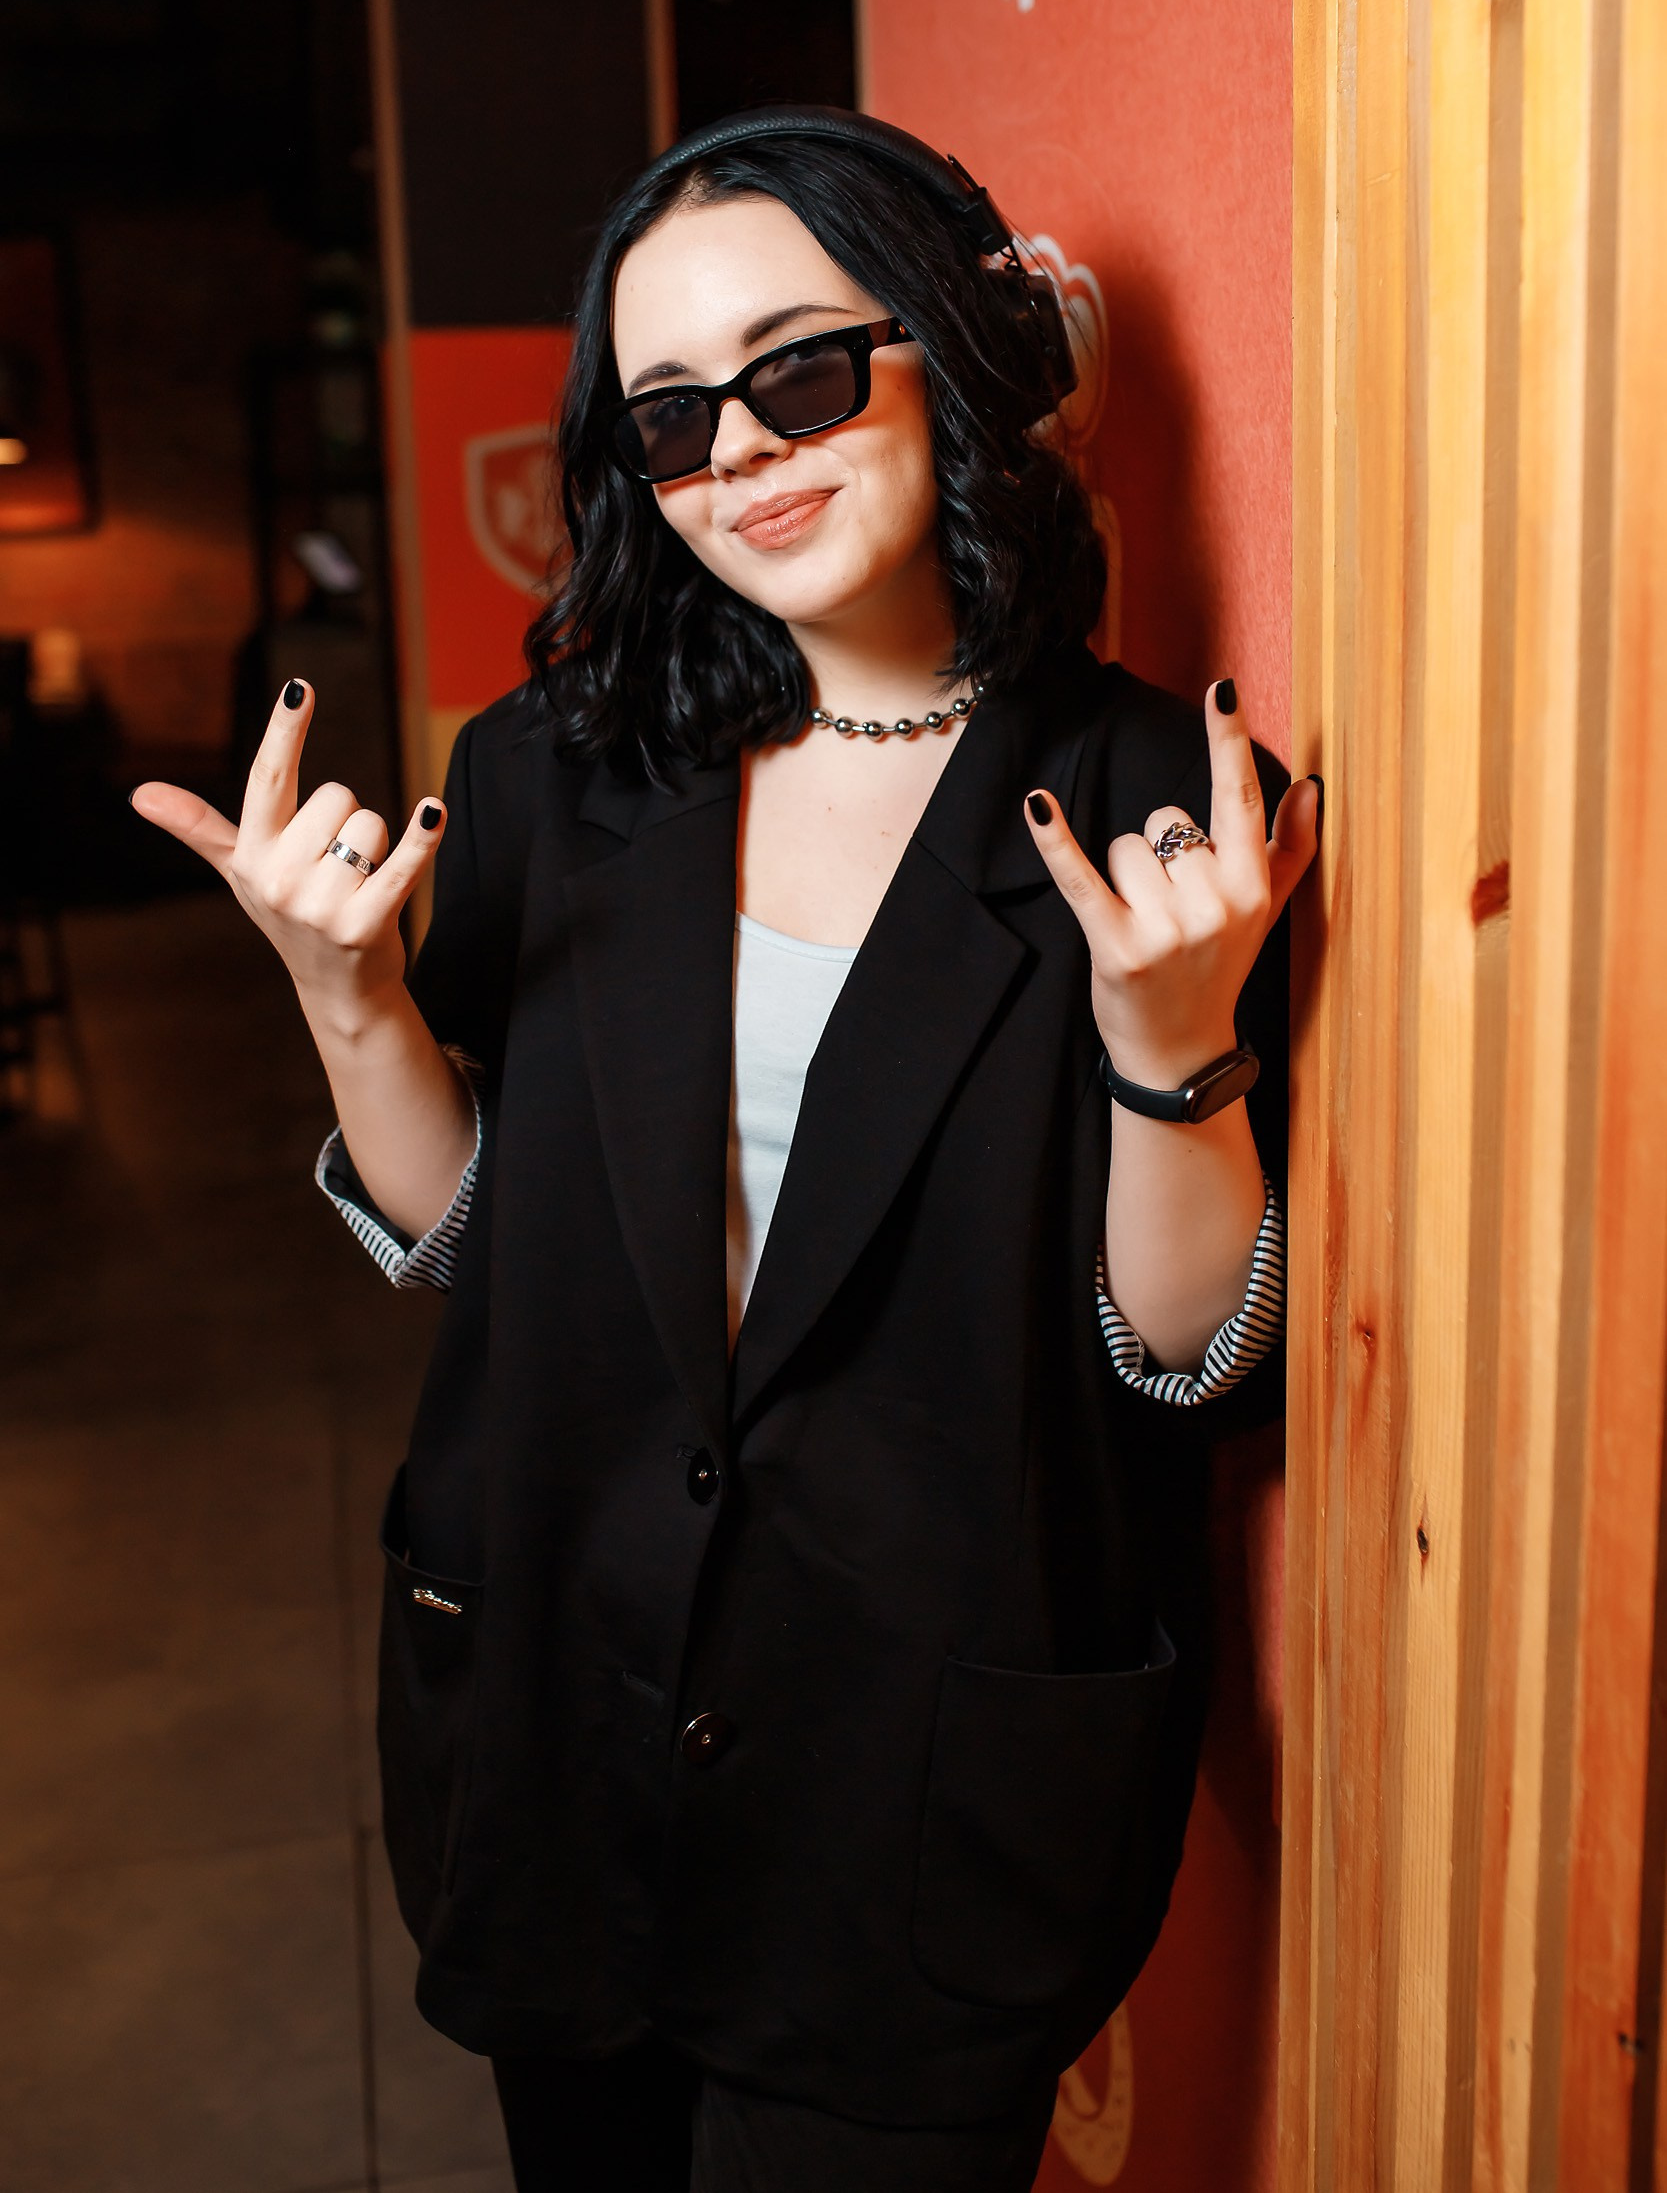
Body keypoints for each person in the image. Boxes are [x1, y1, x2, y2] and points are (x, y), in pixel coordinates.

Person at [133, 108, 1318, 2193]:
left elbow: (1181, 1361)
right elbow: (480, 1241)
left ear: (951, 343)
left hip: (925, 1784)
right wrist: (350, 1001)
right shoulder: (548, 770)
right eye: (672, 418)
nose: (742, 453)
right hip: (556, 1722)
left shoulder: (1158, 795)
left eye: (802, 370)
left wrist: (1166, 1048)